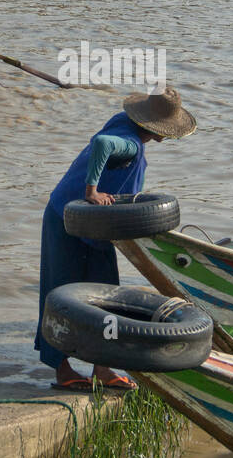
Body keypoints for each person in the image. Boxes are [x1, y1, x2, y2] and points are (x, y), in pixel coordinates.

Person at [38, 87, 196, 390]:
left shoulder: (123, 122)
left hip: (94, 226)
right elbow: (101, 144)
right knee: (59, 290)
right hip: (66, 218)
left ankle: (103, 367)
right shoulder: (131, 144)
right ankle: (62, 369)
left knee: (107, 291)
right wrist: (92, 192)